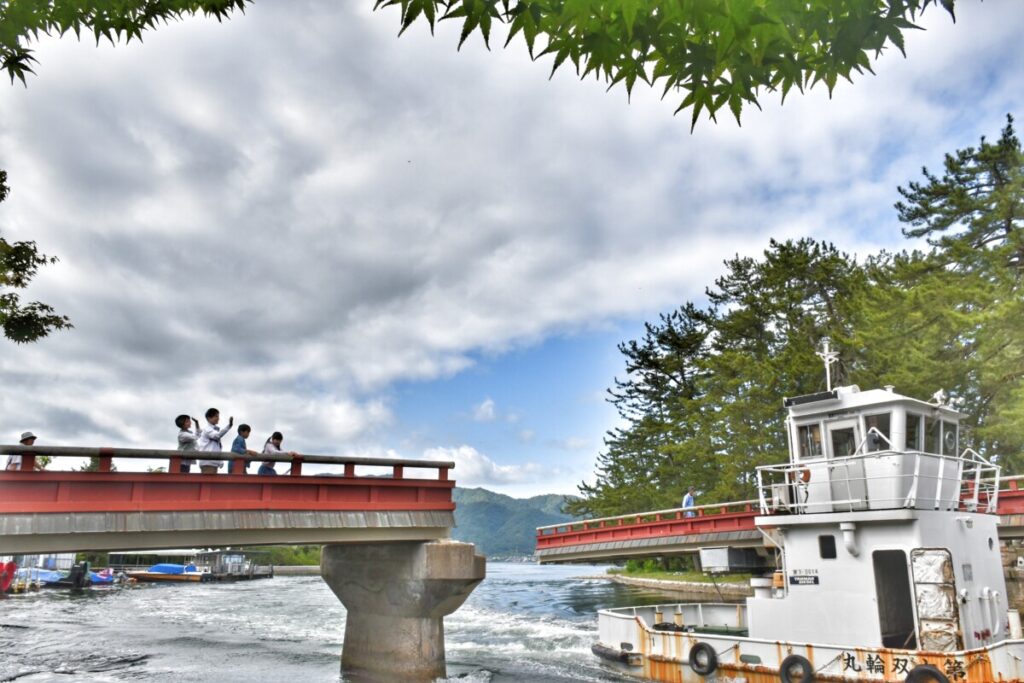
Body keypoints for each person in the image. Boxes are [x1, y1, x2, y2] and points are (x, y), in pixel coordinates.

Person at [197, 408, 233, 474]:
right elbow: (217, 436)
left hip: (212, 461)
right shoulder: (207, 429)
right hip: (208, 462)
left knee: (209, 483)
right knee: (208, 483)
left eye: (218, 416)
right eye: (216, 416)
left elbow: (217, 447)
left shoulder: (213, 429)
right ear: (208, 418)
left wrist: (220, 461)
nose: (218, 418)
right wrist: (229, 426)